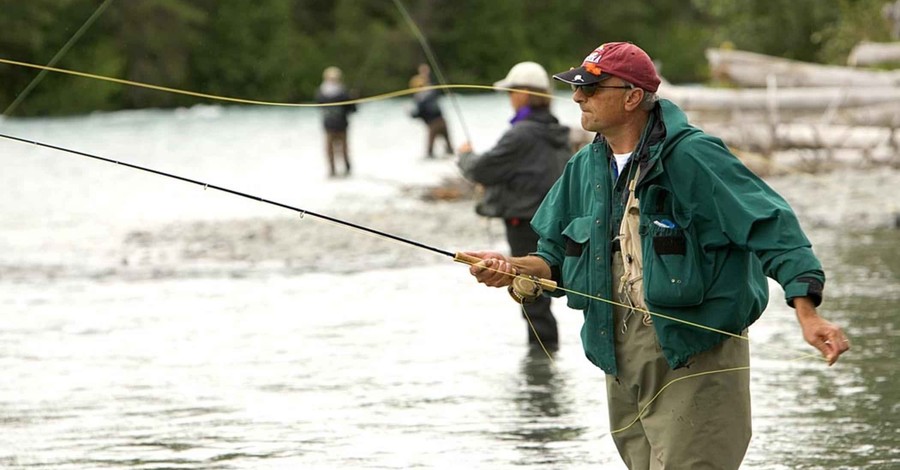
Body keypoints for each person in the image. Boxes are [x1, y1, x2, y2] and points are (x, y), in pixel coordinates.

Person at [463, 42, 850, 469]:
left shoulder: (696, 156)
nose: (577, 97)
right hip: (618, 358)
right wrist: (512, 268)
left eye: (591, 89)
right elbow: (552, 258)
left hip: (695, 354)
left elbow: (771, 227)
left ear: (632, 97)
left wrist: (807, 311)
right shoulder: (583, 167)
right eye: (577, 88)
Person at [456, 61, 571, 349]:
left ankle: (540, 361)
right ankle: (545, 361)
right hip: (552, 221)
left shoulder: (521, 133)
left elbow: (482, 170)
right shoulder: (555, 131)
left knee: (529, 293)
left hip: (524, 221)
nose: (509, 99)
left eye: (511, 93)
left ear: (522, 94)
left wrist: (465, 156)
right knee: (541, 292)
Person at [315, 66, 356, 177]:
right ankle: (332, 172)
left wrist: (353, 99)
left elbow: (352, 109)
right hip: (329, 127)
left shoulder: (342, 93)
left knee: (344, 150)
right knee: (330, 151)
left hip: (341, 126)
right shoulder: (323, 93)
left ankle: (347, 171)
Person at [409, 69, 452, 159]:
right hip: (442, 121)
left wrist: (410, 113)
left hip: (433, 125)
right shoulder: (432, 92)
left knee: (429, 152)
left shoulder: (420, 98)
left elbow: (419, 114)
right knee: (449, 148)